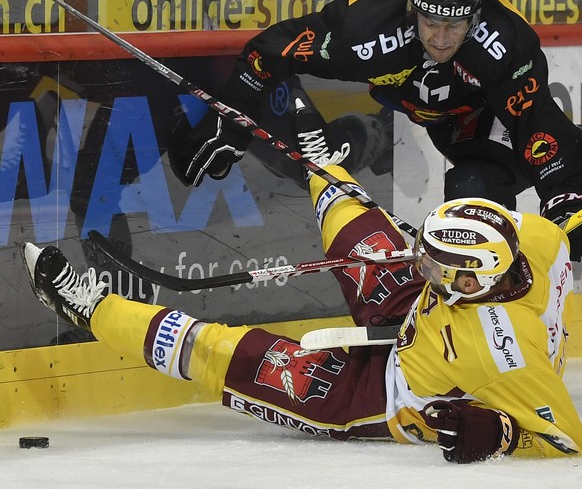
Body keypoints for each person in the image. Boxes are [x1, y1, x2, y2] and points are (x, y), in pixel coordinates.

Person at [22, 103, 582, 463]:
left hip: (384, 397)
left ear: (470, 278)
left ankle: (91, 308)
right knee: (359, 224)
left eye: (434, 262)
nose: (419, 260)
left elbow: (566, 441)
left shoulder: (505, 352)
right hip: (426, 319)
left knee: (223, 352)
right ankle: (313, 150)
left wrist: (503, 433)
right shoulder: (530, 235)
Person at [168, 0, 582, 261]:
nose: (440, 37)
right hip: (441, 121)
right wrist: (231, 116)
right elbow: (272, 50)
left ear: (473, 19)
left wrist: (565, 199)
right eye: (430, 22)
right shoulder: (365, 31)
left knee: (470, 196)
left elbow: (535, 121)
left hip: (488, 116)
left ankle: (496, 307)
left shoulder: (504, 43)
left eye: (454, 25)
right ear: (412, 9)